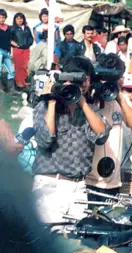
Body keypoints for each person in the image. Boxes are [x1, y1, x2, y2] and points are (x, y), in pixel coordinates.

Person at [31, 56, 110, 223]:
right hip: (51, 184)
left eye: (86, 78)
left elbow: (101, 135)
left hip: (79, 185)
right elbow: (44, 139)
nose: (82, 83)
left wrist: (81, 102)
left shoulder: (89, 110)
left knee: (78, 242)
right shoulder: (44, 106)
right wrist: (52, 101)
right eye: (77, 77)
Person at [85, 54, 132, 202]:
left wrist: (119, 97)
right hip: (89, 181)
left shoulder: (119, 101)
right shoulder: (90, 99)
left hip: (113, 181)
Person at [10, 12, 33, 90]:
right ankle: (18, 82)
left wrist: (29, 44)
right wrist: (17, 45)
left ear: (23, 19)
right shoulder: (12, 28)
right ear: (15, 20)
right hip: (17, 49)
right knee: (18, 65)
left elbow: (30, 38)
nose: (19, 20)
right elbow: (9, 39)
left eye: (21, 18)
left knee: (24, 65)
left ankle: (23, 81)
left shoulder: (27, 28)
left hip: (26, 49)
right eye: (18, 18)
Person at [0, 8, 18, 94]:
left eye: (3, 17)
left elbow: (10, 40)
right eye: (0, 17)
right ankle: (1, 89)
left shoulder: (8, 28)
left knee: (12, 70)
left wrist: (18, 45)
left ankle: (11, 89)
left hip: (7, 52)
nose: (1, 19)